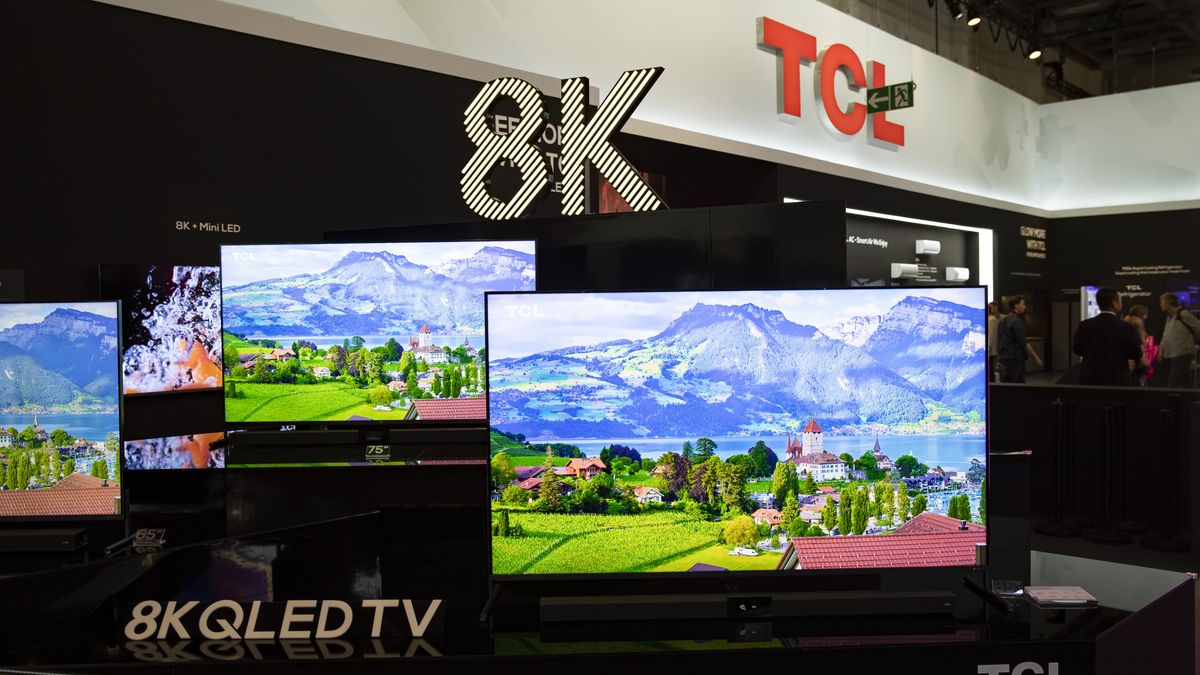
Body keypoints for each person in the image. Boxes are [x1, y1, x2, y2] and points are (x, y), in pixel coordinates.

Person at [1072, 288, 1142, 386]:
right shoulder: (1127, 327)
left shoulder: (1085, 325)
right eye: (1120, 301)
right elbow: (1137, 353)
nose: (1121, 304)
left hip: (1090, 379)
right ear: (1114, 303)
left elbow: (1077, 349)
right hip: (1117, 380)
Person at [1158, 292, 1200, 388]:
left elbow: (1198, 327)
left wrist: (1193, 340)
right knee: (1185, 379)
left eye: (1161, 302)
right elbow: (1166, 335)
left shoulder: (1183, 313)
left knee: (1174, 379)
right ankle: (1191, 399)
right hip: (1172, 354)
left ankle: (1171, 400)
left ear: (1168, 303)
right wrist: (1161, 351)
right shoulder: (1169, 316)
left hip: (1183, 353)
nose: (1160, 304)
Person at [997, 295, 1042, 383]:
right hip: (1014, 357)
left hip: (1006, 356)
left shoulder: (1003, 321)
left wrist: (1000, 358)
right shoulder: (1017, 321)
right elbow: (1023, 342)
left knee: (1017, 383)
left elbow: (1000, 341)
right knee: (1011, 383)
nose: (1025, 307)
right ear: (1016, 305)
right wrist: (1036, 358)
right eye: (1023, 304)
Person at [1124, 304, 1157, 386]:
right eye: (1145, 314)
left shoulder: (1124, 325)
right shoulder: (1138, 338)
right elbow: (1145, 363)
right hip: (1137, 375)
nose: (1146, 317)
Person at [987, 302, 1000, 382]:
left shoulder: (991, 320)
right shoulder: (989, 319)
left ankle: (992, 386)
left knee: (990, 369)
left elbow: (991, 337)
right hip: (988, 349)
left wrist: (987, 348)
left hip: (990, 350)